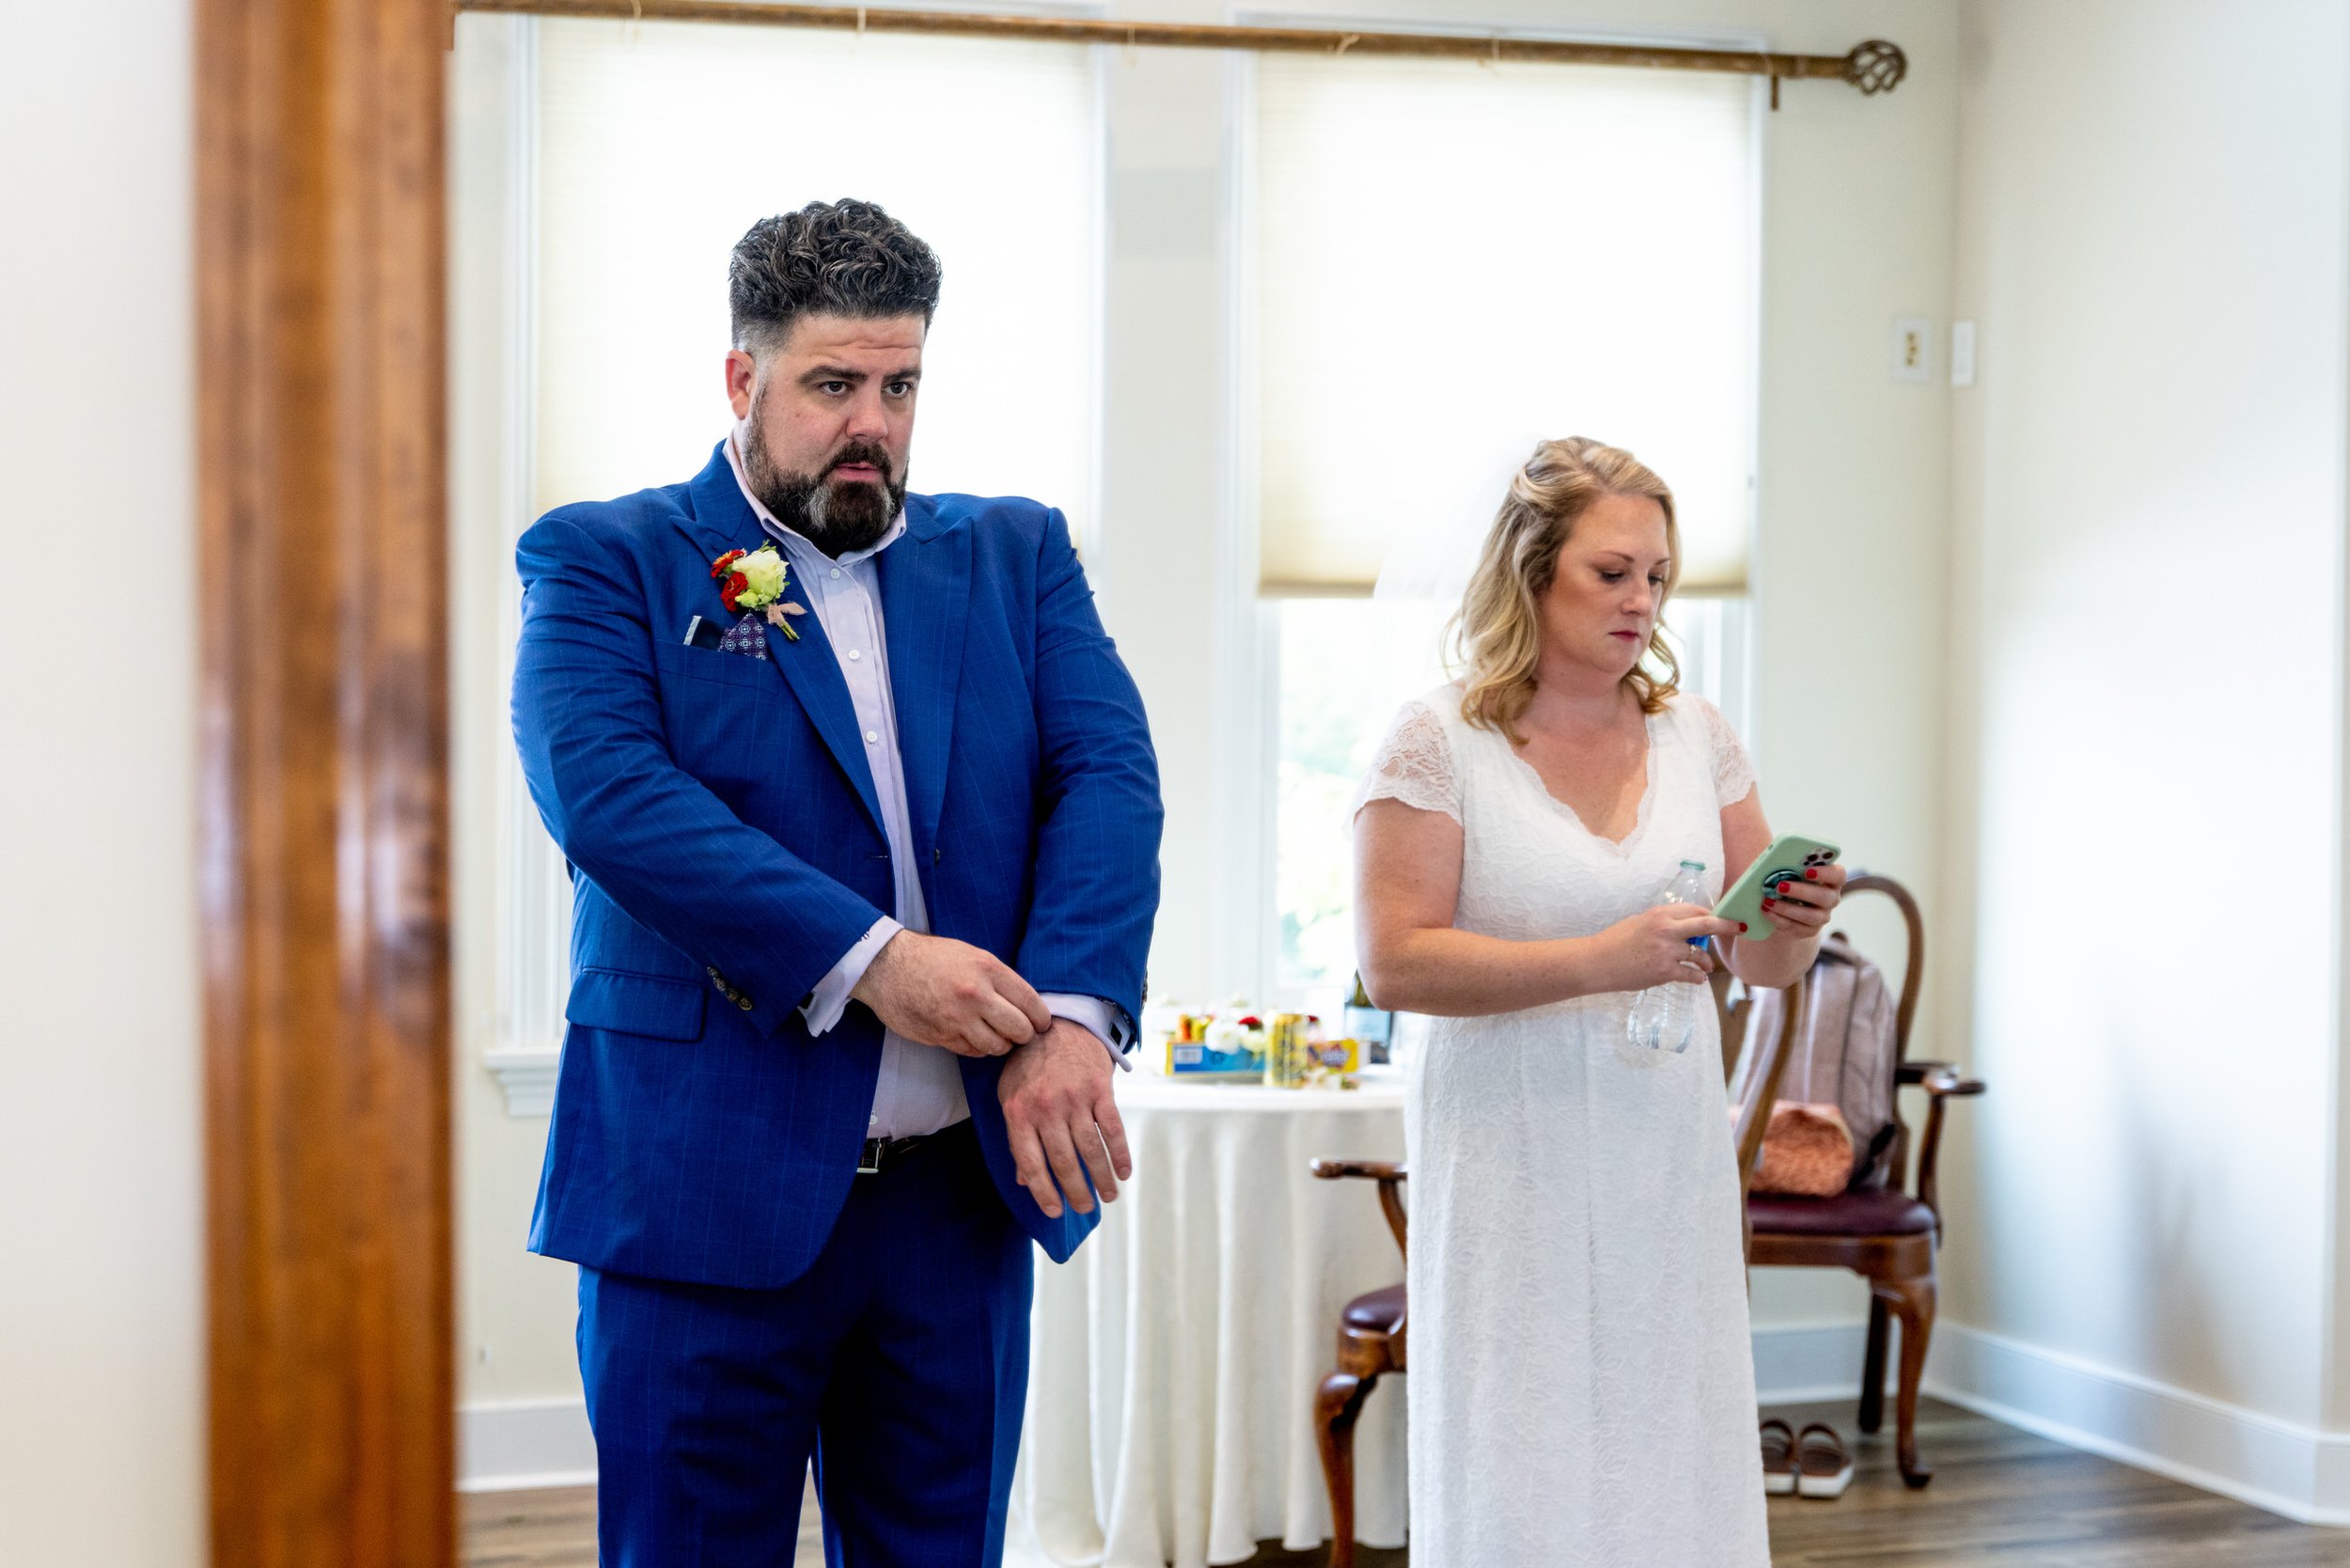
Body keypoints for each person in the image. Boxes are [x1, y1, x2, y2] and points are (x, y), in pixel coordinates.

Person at [509, 198, 1163, 1567]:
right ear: (742, 380)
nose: (873, 422)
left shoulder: (1017, 553)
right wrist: (878, 962)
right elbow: (612, 800)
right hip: (699, 1192)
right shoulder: (603, 561)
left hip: (951, 1210)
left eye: (900, 385)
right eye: (832, 386)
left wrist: (1069, 1015)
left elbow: (1106, 776)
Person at [1351, 437, 1843, 1564]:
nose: (1642, 600)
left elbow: (1756, 966)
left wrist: (1794, 928)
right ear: (1531, 573)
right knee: (1523, 1445)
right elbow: (1397, 965)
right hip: (1507, 1147)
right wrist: (1599, 959)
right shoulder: (1439, 741)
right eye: (1611, 572)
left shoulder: (1697, 736)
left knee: (1668, 1425)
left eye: (1658, 576)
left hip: (1661, 1145)